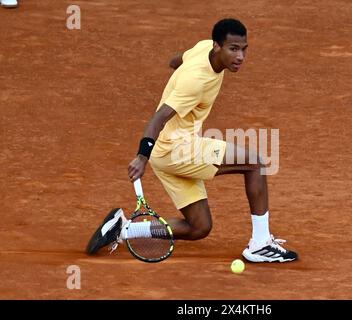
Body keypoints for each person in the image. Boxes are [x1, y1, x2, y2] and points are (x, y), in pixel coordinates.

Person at [87, 18, 298, 262]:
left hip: (166, 154)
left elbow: (175, 60)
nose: (240, 56)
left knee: (199, 227)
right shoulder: (196, 81)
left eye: (243, 49)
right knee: (256, 163)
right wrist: (141, 157)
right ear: (217, 47)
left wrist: (180, 75)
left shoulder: (202, 48)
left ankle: (123, 229)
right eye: (233, 49)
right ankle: (261, 243)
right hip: (176, 149)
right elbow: (160, 117)